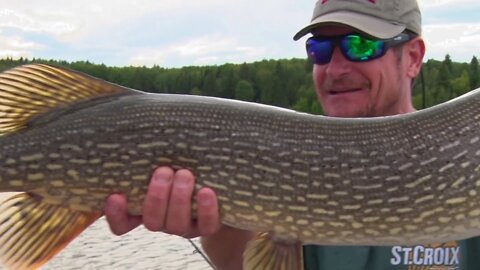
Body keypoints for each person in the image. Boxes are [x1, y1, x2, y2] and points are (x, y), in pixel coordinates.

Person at [104, 0, 480, 269]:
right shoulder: (284, 162)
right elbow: (248, 263)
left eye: (360, 45)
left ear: (413, 57)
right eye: (319, 48)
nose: (335, 67)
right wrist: (216, 223)